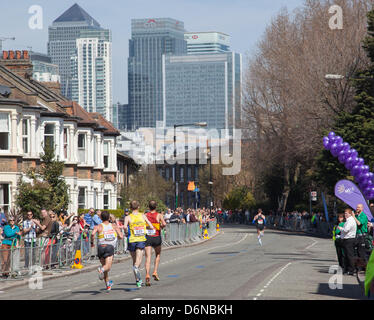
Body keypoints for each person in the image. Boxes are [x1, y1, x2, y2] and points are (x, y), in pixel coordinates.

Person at [124, 200, 155, 288]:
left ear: (130, 208)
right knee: (138, 260)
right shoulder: (142, 215)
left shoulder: (128, 217)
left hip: (132, 239)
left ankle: (138, 280)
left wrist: (126, 232)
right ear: (138, 207)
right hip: (141, 239)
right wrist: (147, 228)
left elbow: (125, 227)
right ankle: (136, 268)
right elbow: (151, 225)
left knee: (134, 260)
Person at [91, 211, 123, 291]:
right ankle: (101, 270)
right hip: (109, 247)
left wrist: (92, 242)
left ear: (100, 218)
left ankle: (107, 284)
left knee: (105, 267)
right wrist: (118, 237)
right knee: (107, 267)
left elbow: (92, 234)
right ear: (109, 218)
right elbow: (121, 236)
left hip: (101, 247)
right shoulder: (114, 226)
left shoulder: (98, 226)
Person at [144, 200, 166, 286]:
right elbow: (164, 224)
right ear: (156, 207)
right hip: (156, 237)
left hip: (148, 237)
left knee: (148, 257)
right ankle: (155, 271)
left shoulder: (145, 215)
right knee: (158, 255)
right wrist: (160, 226)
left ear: (148, 207)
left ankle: (147, 274)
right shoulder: (159, 215)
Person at [338, 208, 357, 275]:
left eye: (346, 213)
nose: (345, 214)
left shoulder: (350, 221)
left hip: (349, 239)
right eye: (345, 213)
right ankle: (348, 269)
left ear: (350, 214)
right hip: (347, 239)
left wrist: (340, 228)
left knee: (349, 255)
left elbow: (346, 230)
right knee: (346, 255)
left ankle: (351, 270)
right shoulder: (348, 220)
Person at [353, 204, 369, 268]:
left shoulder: (363, 215)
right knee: (356, 252)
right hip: (356, 235)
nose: (357, 208)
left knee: (361, 253)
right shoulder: (357, 215)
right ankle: (358, 267)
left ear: (362, 208)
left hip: (362, 236)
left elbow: (359, 223)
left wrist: (354, 217)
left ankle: (364, 267)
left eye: (359, 207)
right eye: (357, 207)